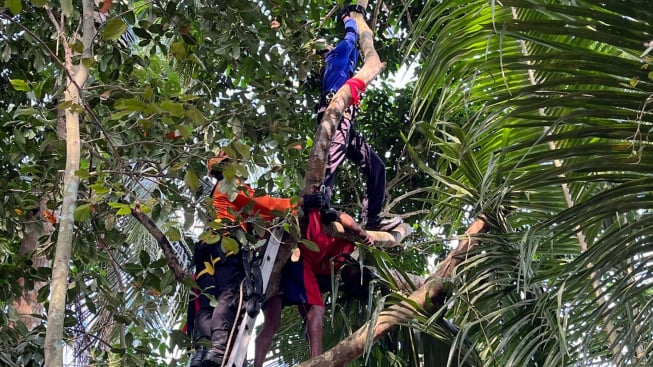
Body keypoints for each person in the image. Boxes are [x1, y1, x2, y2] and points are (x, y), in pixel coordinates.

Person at [193, 150, 296, 367]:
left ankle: (202, 351)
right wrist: (295, 205)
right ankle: (218, 350)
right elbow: (263, 204)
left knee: (207, 300)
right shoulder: (231, 185)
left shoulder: (215, 194)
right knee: (228, 294)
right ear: (230, 166)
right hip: (225, 243)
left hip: (205, 246)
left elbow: (255, 217)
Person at [253, 194, 374, 367]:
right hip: (296, 258)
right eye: (353, 274)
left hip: (296, 267)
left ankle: (313, 358)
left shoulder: (334, 273)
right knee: (311, 310)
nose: (349, 275)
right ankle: (316, 359)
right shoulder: (344, 243)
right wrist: (361, 232)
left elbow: (307, 306)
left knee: (278, 320)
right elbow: (342, 217)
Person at [314, 6, 402, 232]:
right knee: (332, 156)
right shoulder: (337, 53)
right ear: (327, 50)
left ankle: (372, 217)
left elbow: (359, 55)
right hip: (336, 114)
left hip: (344, 118)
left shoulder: (341, 64)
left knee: (377, 167)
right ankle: (319, 204)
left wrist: (366, 28)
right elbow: (351, 38)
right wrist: (349, 15)